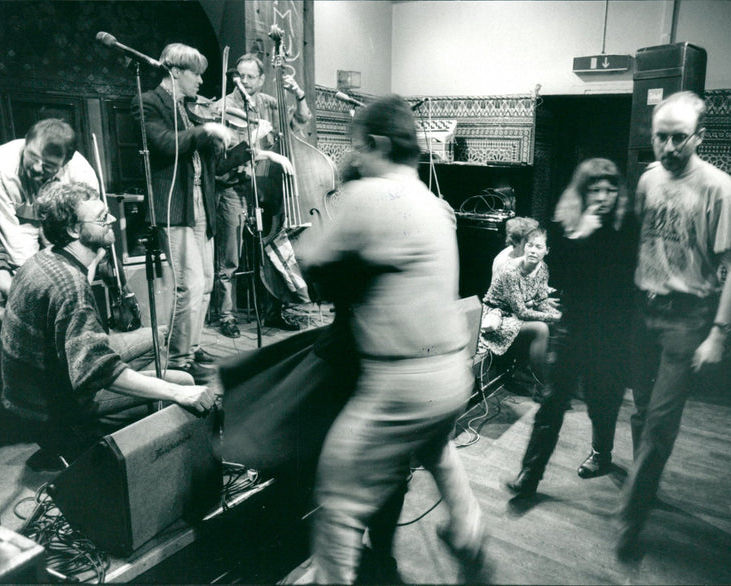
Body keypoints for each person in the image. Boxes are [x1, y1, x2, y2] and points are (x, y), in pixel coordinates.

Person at [304, 95, 490, 583]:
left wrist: (346, 179)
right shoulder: (436, 204)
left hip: (400, 379)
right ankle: (469, 528)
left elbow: (310, 261)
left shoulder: (367, 195)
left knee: (338, 497)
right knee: (436, 449)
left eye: (357, 147)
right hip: (453, 371)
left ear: (378, 144)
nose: (355, 155)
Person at [616, 91, 731, 558]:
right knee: (640, 410)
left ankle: (630, 518)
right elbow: (633, 241)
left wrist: (718, 332)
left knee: (660, 423)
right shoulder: (648, 180)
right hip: (643, 310)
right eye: (661, 137)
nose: (669, 148)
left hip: (687, 318)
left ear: (699, 137)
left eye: (678, 138)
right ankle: (642, 485)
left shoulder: (719, 188)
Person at [0, 181, 214, 463]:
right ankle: (90, 439)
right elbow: (96, 371)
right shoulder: (69, 288)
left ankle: (138, 410)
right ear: (74, 230)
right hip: (49, 409)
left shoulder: (44, 259)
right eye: (102, 218)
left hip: (31, 391)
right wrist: (180, 394)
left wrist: (94, 257)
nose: (113, 218)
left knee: (158, 335)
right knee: (182, 382)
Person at [134, 43, 282, 381]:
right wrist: (206, 130)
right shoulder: (148, 103)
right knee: (189, 284)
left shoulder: (189, 109)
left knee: (206, 283)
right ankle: (177, 360)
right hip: (176, 206)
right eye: (196, 74)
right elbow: (164, 144)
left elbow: (216, 165)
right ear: (175, 71)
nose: (201, 82)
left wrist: (250, 146)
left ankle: (193, 347)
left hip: (202, 203)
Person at [506, 158, 637, 497]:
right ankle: (529, 475)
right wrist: (581, 236)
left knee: (601, 401)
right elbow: (558, 277)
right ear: (583, 192)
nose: (604, 196)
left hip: (611, 334)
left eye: (610, 189)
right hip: (573, 330)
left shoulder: (626, 226)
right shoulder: (570, 226)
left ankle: (601, 455)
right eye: (596, 189)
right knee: (552, 402)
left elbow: (625, 282)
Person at [213, 53, 312, 333]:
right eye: (240, 76)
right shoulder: (223, 107)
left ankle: (273, 310)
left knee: (269, 252)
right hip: (233, 187)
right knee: (230, 258)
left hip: (264, 189)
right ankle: (226, 317)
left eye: (250, 76)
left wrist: (299, 96)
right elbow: (224, 154)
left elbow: (300, 122)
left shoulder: (268, 103)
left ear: (261, 79)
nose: (244, 81)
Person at [0, 118, 99, 296]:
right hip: (19, 237)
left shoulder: (81, 174)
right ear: (26, 141)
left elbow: (85, 237)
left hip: (67, 236)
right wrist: (32, 285)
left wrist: (78, 285)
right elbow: (12, 232)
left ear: (65, 163)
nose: (35, 168)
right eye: (32, 156)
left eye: (48, 166)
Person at [479, 226, 562, 385]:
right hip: (499, 317)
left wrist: (557, 316)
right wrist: (553, 316)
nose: (532, 250)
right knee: (541, 328)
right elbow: (522, 312)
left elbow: (541, 299)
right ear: (524, 246)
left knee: (558, 324)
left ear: (547, 250)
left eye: (538, 247)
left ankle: (550, 376)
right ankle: (543, 385)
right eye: (529, 245)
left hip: (516, 313)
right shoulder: (510, 271)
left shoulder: (543, 268)